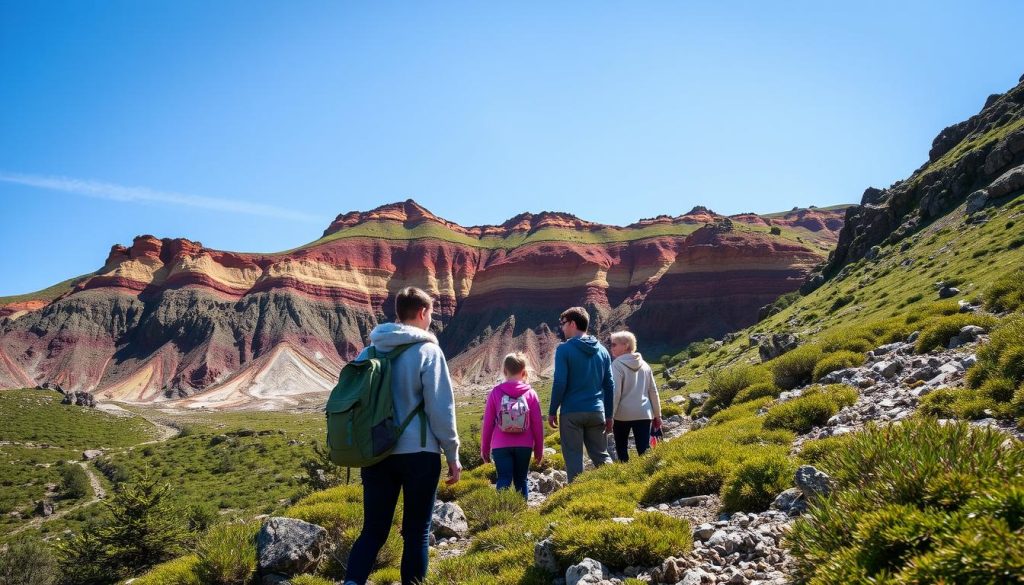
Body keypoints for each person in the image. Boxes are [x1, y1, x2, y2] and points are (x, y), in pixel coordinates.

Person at [344, 287, 461, 585]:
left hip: (376, 452)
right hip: (419, 454)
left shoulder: (369, 351)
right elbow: (441, 409)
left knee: (373, 530)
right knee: (416, 531)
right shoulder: (428, 351)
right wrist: (452, 453)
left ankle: (352, 581)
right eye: (431, 314)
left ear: (398, 313)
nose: (431, 320)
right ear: (422, 313)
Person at [548, 306, 614, 482]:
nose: (561, 328)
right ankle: (616, 486)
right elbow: (609, 384)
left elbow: (560, 382)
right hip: (597, 412)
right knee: (601, 455)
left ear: (572, 323)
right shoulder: (603, 350)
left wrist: (553, 410)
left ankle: (576, 498)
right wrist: (609, 415)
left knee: (574, 458)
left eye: (563, 323)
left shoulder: (564, 349)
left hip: (572, 413)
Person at [480, 352, 544, 498]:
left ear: (504, 371)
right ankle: (522, 516)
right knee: (521, 480)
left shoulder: (495, 393)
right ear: (524, 372)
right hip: (525, 444)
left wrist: (485, 448)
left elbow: (488, 424)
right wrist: (539, 449)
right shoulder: (531, 393)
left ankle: (502, 517)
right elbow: (537, 425)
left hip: (500, 444)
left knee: (503, 479)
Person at [609, 331, 662, 463]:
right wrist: (658, 415)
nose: (611, 347)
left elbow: (615, 393)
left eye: (614, 344)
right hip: (644, 413)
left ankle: (626, 478)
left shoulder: (617, 365)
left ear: (626, 345)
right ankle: (647, 475)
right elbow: (653, 391)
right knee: (644, 449)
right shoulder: (645, 365)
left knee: (621, 448)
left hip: (622, 415)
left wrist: (610, 416)